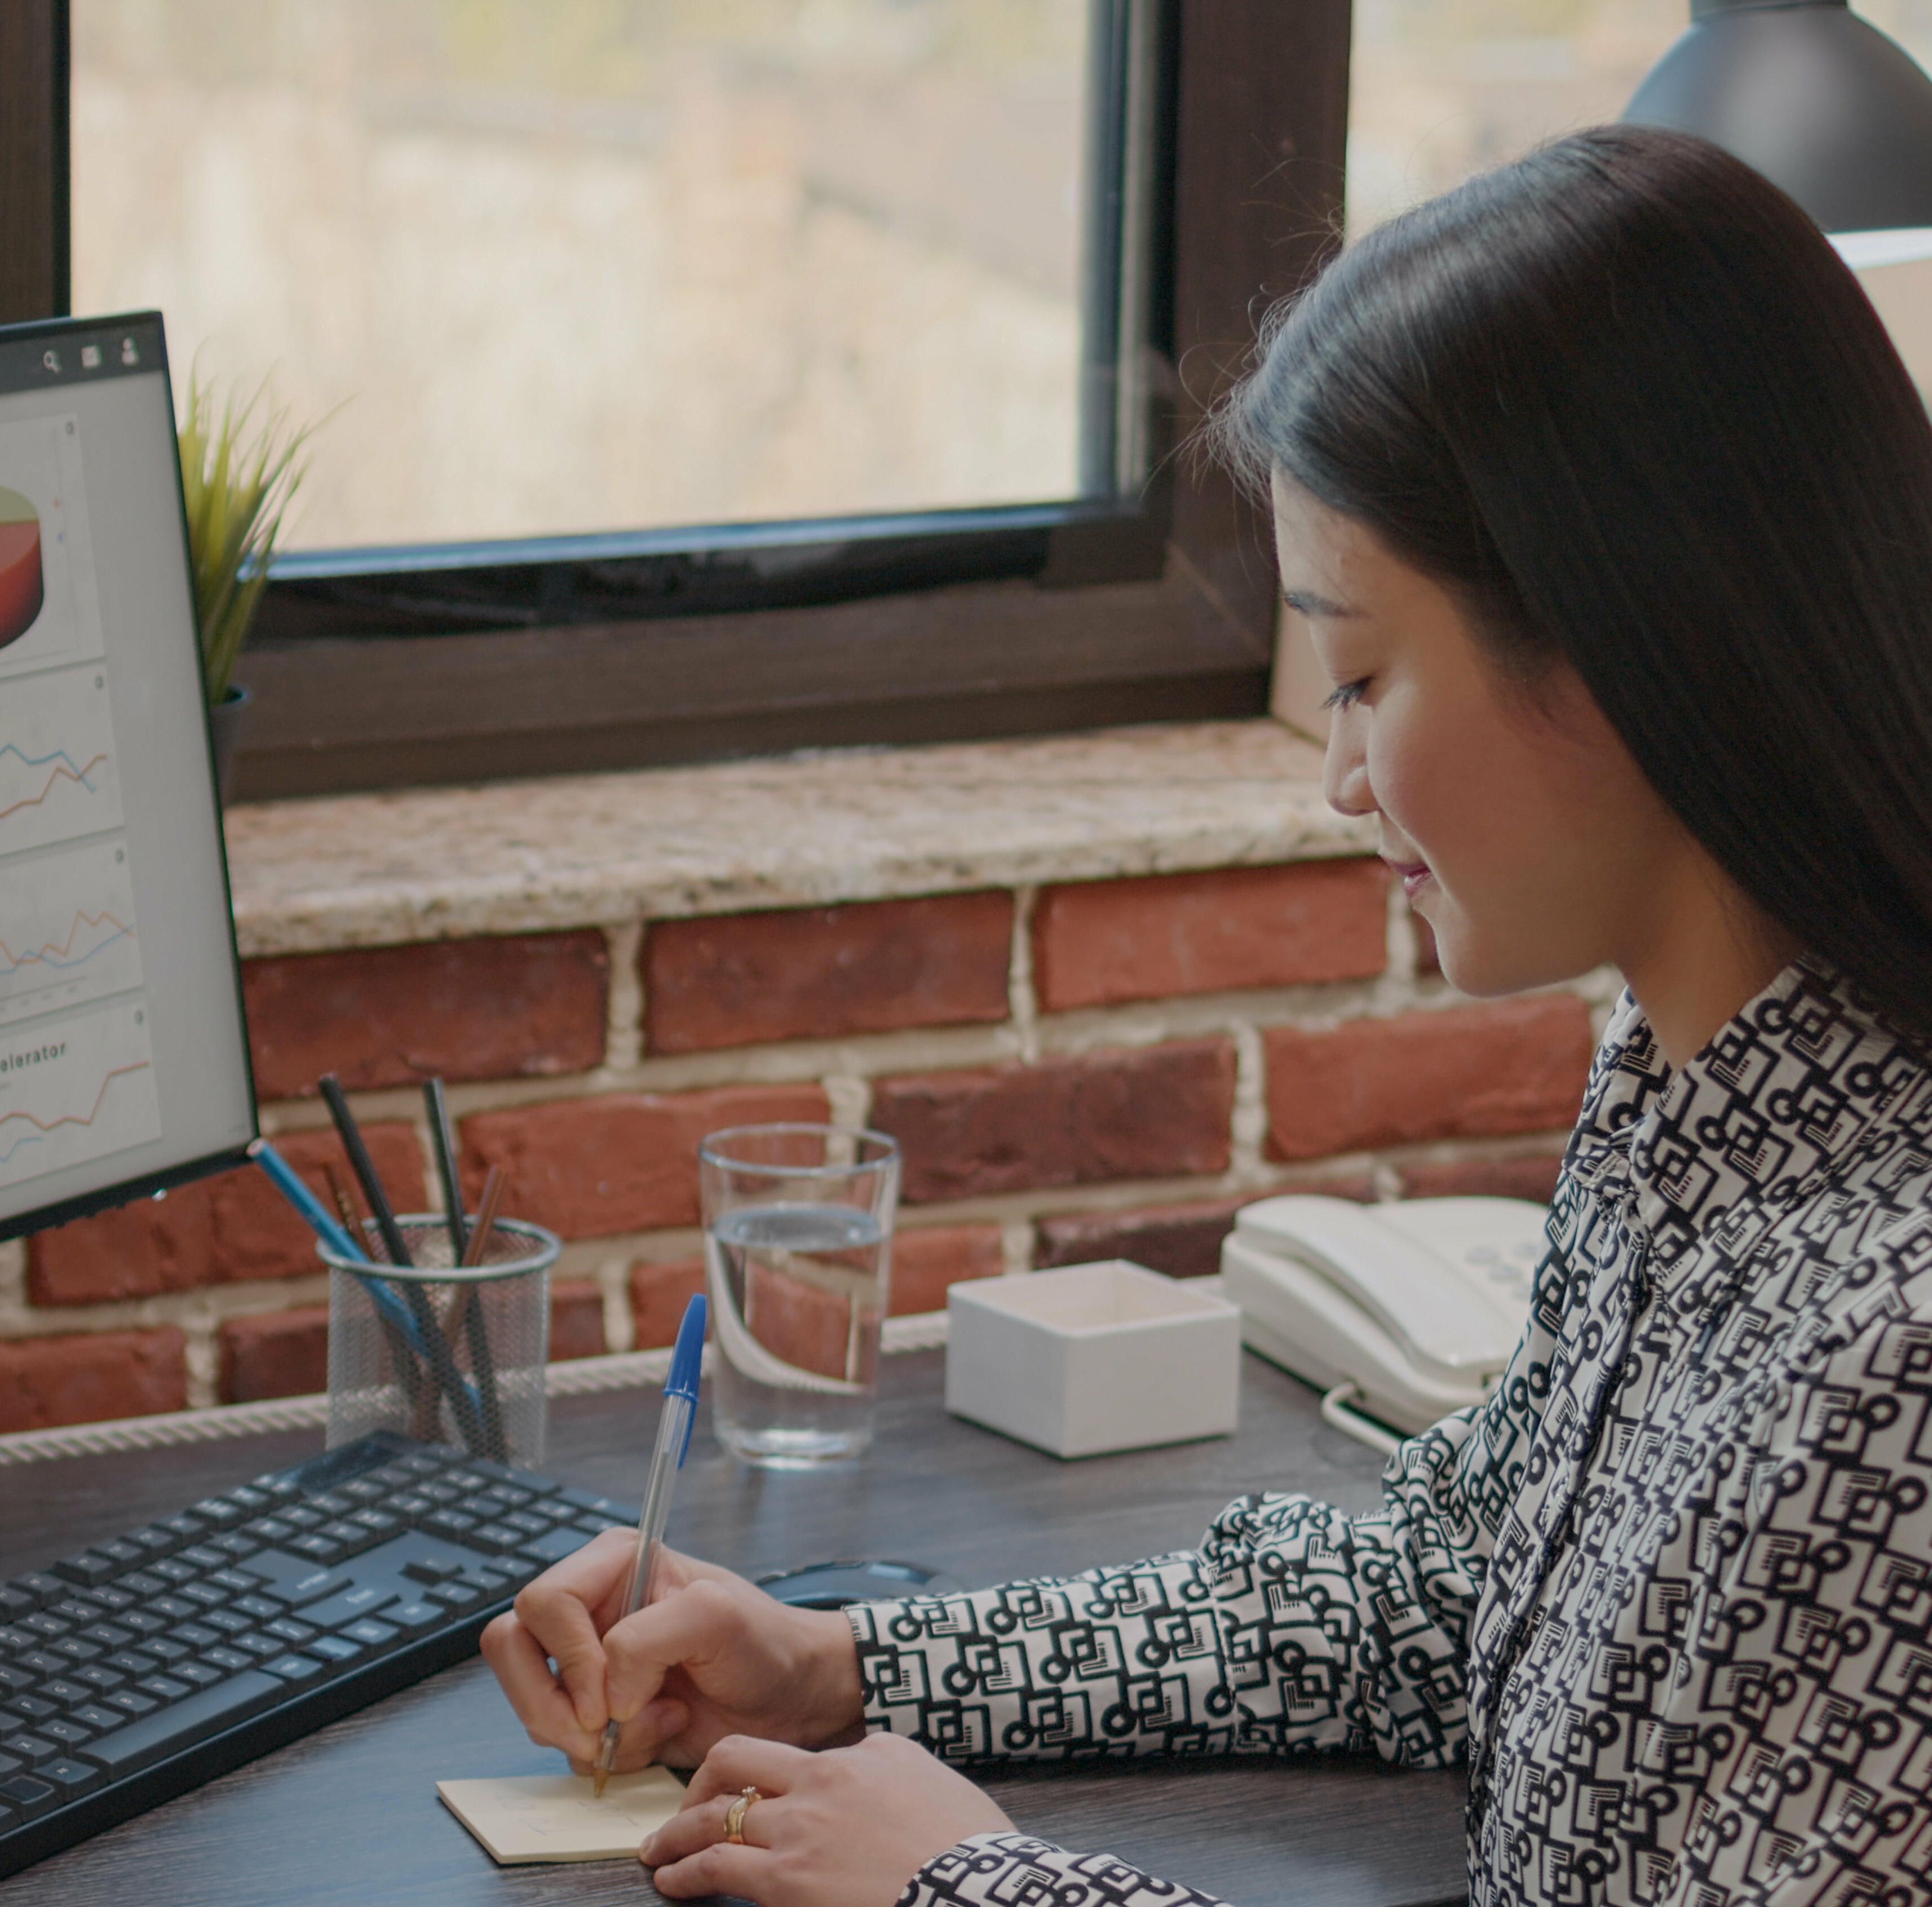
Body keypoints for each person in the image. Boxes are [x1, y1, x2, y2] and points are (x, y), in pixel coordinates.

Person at [480, 122, 1932, 1907]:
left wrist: (978, 1889)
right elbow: (1449, 1593)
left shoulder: (1890, 1359)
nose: (1335, 776)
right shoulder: (1690, 1087)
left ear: (1637, 637)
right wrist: (850, 1667)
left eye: (1366, 675)